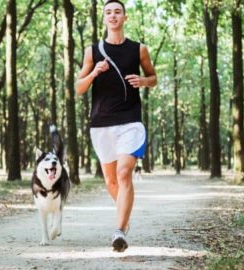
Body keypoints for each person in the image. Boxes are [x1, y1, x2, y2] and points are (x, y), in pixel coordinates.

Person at [75, 0, 157, 252]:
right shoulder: (93, 51)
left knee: (123, 173)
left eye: (117, 12)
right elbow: (79, 88)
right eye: (108, 12)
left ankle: (119, 231)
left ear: (125, 17)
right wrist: (94, 73)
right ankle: (125, 216)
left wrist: (143, 81)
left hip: (130, 121)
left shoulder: (139, 49)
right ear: (104, 18)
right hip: (101, 123)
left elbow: (153, 78)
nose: (113, 16)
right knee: (111, 180)